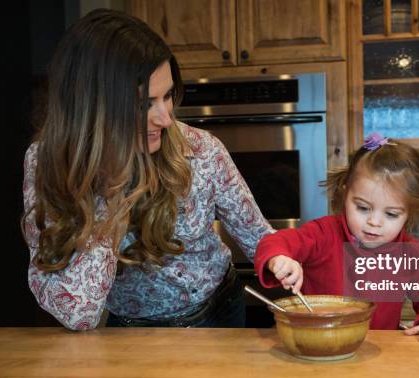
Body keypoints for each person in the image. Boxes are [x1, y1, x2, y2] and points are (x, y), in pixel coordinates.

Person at [22, 9, 273, 330]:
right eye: (144, 104)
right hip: (130, 329)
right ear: (94, 109)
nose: (166, 118)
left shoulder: (200, 148)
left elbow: (259, 237)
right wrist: (111, 192)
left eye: (167, 96)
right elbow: (77, 314)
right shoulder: (46, 163)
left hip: (219, 313)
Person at [254, 134, 419, 343]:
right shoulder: (323, 233)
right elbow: (274, 242)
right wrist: (279, 258)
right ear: (345, 194)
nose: (375, 222)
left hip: (382, 355)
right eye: (363, 208)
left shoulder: (409, 251)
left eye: (391, 214)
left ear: (408, 213)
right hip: (318, 344)